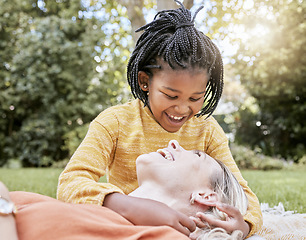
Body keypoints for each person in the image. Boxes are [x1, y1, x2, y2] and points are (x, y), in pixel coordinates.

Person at [57, 0, 262, 238]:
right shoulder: (114, 122)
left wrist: (244, 225)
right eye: (171, 95)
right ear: (145, 82)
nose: (183, 108)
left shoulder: (207, 130)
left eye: (196, 98)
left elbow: (242, 192)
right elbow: (71, 181)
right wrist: (128, 206)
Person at [2, 140, 250, 240]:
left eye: (197, 155)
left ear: (206, 196)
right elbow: (72, 179)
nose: (174, 142)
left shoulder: (166, 237)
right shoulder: (101, 212)